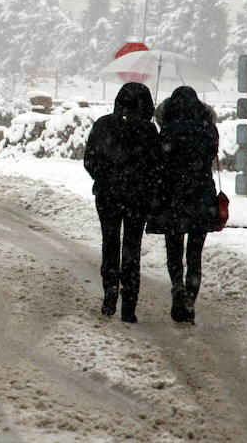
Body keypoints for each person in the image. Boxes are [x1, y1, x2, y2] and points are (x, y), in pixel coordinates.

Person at [84, 82, 160, 323]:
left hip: (108, 195)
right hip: (138, 198)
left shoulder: (103, 125)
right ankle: (129, 304)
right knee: (132, 248)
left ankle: (109, 295)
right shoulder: (149, 132)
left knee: (110, 243)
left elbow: (89, 160)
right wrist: (144, 185)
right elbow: (157, 166)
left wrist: (104, 177)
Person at [147, 86, 219, 324]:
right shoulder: (208, 129)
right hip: (201, 196)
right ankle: (190, 298)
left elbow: (159, 161)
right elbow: (211, 155)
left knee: (174, 248)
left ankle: (177, 285)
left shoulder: (167, 130)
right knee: (195, 253)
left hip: (173, 197)